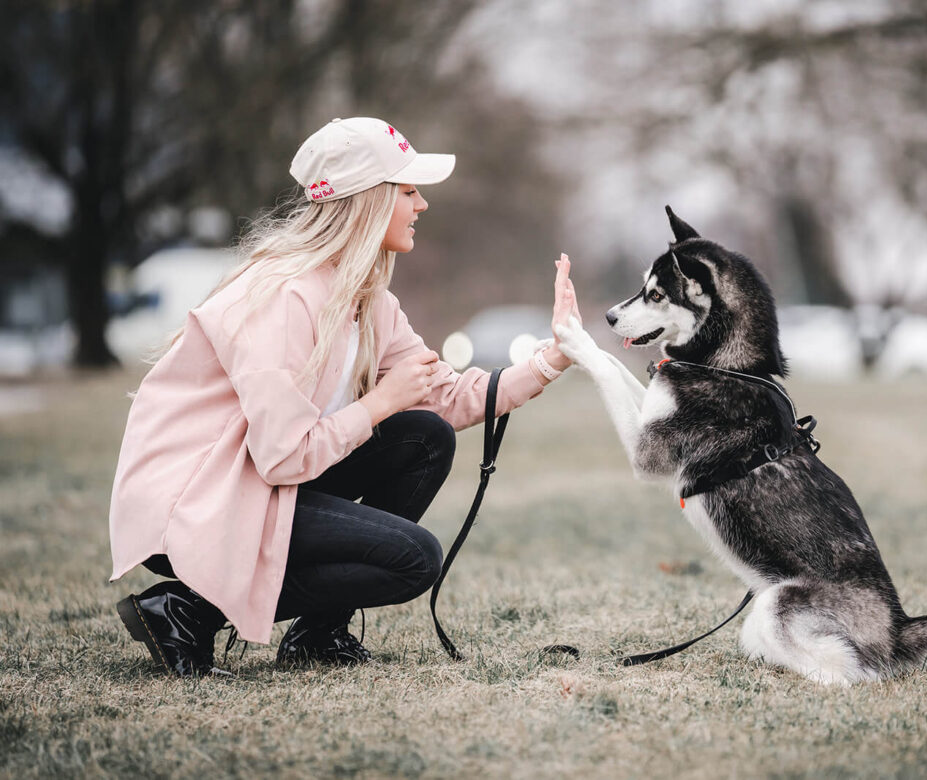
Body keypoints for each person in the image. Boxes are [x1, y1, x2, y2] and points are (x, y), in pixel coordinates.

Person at [109, 116, 580, 676]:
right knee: (414, 560)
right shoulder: (284, 297)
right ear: (368, 201)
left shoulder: (368, 300)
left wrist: (554, 356)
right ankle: (188, 610)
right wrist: (381, 402)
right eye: (408, 191)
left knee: (425, 438)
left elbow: (448, 400)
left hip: (262, 484)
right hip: (200, 502)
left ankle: (315, 634)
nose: (422, 205)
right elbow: (282, 455)